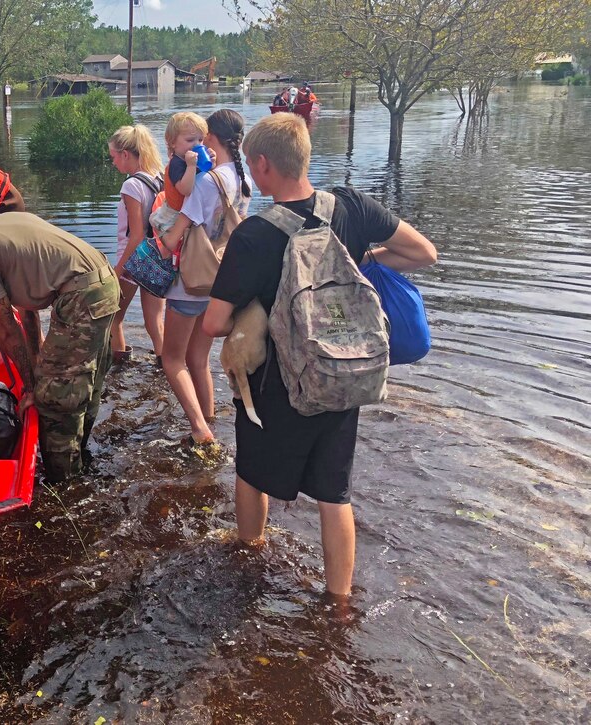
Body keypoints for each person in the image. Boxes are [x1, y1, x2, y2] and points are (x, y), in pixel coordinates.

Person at [202, 114, 437, 598]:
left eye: (251, 166)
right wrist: (363, 261)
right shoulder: (352, 206)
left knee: (252, 473)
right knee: (335, 494)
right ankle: (339, 604)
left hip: (277, 384)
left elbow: (212, 323)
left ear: (263, 166)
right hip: (342, 372)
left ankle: (249, 557)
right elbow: (422, 253)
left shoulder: (254, 236)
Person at [0, 195, 119, 482]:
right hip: (105, 281)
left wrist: (31, 387)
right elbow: (28, 312)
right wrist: (37, 362)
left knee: (54, 397)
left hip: (79, 295)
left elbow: (6, 328)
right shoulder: (4, 222)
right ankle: (81, 456)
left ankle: (64, 483)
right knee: (84, 382)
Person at [159, 109, 252, 447]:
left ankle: (200, 430)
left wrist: (157, 240)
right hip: (220, 280)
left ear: (211, 137)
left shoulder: (207, 181)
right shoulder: (242, 178)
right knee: (198, 359)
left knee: (172, 359)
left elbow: (174, 239)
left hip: (190, 282)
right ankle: (210, 418)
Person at [107, 124, 166, 365]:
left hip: (134, 261)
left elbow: (136, 234)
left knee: (113, 319)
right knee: (154, 322)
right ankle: (166, 367)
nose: (113, 163)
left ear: (125, 154)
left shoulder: (131, 185)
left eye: (113, 157)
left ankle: (120, 371)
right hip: (158, 257)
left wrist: (118, 270)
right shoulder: (160, 177)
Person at [149, 112, 208, 246]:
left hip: (186, 212)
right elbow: (185, 189)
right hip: (173, 214)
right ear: (173, 143)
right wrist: (191, 166)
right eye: (190, 140)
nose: (196, 144)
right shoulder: (176, 163)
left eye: (200, 140)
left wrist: (212, 163)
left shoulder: (192, 159)